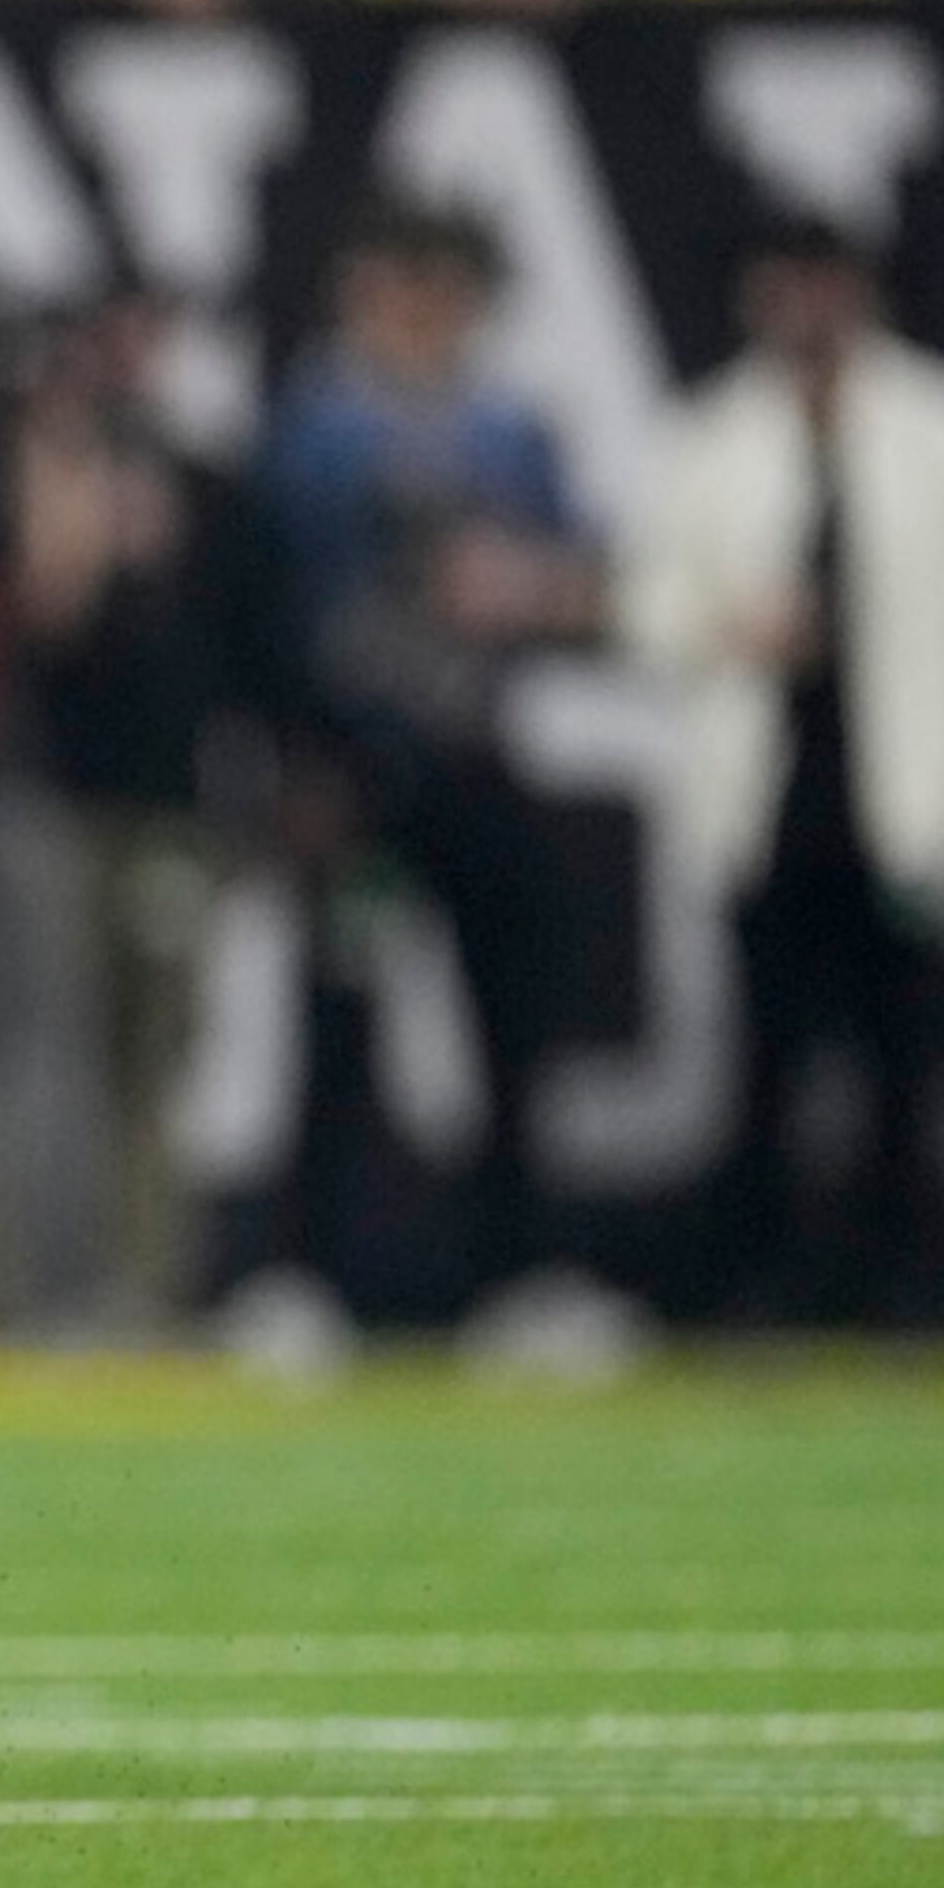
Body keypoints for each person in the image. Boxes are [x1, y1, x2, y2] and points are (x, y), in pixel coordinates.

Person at [620, 211, 944, 1322]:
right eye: (787, 286)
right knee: (766, 1062)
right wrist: (735, 624)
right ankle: (770, 1288)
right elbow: (646, 609)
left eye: (826, 284)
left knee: (908, 1055)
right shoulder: (713, 438)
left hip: (908, 797)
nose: (808, 310)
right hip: (769, 798)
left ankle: (908, 1289)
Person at [255, 201, 619, 1334]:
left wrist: (534, 588)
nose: (423, 314)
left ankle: (517, 1274)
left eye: (444, 289)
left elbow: (587, 590)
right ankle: (313, 1278)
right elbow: (264, 608)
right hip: (355, 776)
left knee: (512, 1024)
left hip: (475, 758)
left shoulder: (511, 431)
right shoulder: (313, 427)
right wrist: (297, 761)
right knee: (337, 1022)